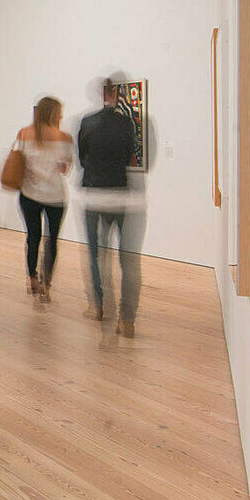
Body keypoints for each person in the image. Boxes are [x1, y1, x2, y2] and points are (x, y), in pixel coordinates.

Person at [78, 76, 145, 337]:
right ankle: (127, 319)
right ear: (116, 94)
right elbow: (130, 154)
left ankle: (98, 306)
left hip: (95, 194)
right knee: (127, 260)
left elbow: (82, 158)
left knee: (96, 256)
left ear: (102, 94)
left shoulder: (87, 122)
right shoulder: (127, 123)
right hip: (120, 194)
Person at [11, 96, 73, 301]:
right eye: (59, 114)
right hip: (56, 196)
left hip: (29, 194)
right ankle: (47, 282)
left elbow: (17, 159)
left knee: (33, 237)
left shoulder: (24, 134)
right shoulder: (64, 138)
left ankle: (32, 277)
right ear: (54, 114)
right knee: (52, 240)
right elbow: (65, 169)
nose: (61, 117)